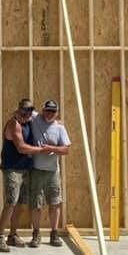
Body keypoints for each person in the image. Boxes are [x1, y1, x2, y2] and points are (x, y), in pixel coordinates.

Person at [0, 98, 43, 252]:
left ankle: (13, 235)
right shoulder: (14, 124)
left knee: (19, 204)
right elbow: (21, 148)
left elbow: (47, 117)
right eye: (23, 111)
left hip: (25, 169)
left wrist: (58, 123)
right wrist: (41, 150)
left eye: (29, 112)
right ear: (19, 110)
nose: (26, 114)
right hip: (13, 169)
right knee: (11, 202)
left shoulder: (29, 119)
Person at [29, 99, 71, 247]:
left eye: (53, 111)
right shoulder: (35, 118)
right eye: (47, 110)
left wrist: (51, 149)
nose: (50, 114)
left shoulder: (59, 128)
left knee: (54, 202)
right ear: (43, 110)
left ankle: (54, 234)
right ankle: (36, 234)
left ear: (57, 112)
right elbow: (22, 109)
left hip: (53, 172)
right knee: (36, 203)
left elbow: (66, 150)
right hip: (36, 170)